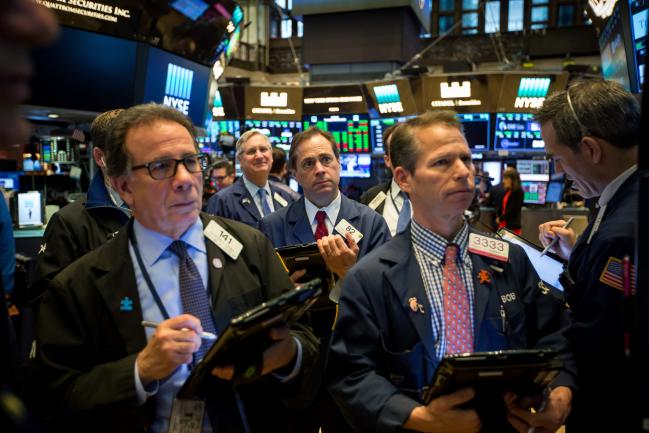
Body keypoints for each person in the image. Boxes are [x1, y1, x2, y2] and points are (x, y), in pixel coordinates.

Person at [34, 104, 318, 433]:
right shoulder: (81, 284)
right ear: (124, 186)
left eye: (190, 162)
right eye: (161, 167)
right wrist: (140, 371)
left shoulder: (249, 246)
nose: (184, 179)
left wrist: (287, 356)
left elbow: (306, 343)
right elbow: (56, 400)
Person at [328, 111, 576, 433]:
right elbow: (351, 373)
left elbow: (555, 335)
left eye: (466, 158)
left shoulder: (509, 259)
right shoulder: (371, 277)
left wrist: (561, 392)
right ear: (404, 179)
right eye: (442, 162)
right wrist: (419, 418)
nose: (463, 172)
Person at [260, 126, 391, 433]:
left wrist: (349, 274)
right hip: (297, 368)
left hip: (356, 365)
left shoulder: (371, 223)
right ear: (294, 172)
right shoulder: (271, 226)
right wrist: (284, 295)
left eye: (326, 160)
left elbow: (388, 302)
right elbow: (260, 304)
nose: (319, 169)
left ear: (339, 163)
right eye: (308, 164)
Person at [536, 79, 640, 433]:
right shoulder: (620, 196)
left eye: (559, 160)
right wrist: (575, 255)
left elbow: (600, 343)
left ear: (591, 149)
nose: (560, 174)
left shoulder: (623, 231)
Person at [31, 109, 131, 307]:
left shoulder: (159, 211)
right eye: (124, 153)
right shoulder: (69, 223)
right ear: (100, 157)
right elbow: (46, 301)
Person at [205, 130, 296, 228]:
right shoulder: (221, 201)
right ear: (240, 160)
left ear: (271, 156)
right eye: (252, 151)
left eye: (263, 149)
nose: (259, 156)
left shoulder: (286, 198)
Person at [360, 123, 412, 236]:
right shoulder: (370, 198)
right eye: (397, 150)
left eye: (409, 148)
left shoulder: (436, 194)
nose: (404, 155)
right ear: (387, 160)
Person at [496, 167, 523, 234]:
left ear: (511, 179)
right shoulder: (508, 191)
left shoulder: (518, 192)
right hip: (504, 225)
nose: (503, 181)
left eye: (505, 178)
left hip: (512, 227)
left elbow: (512, 210)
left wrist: (500, 219)